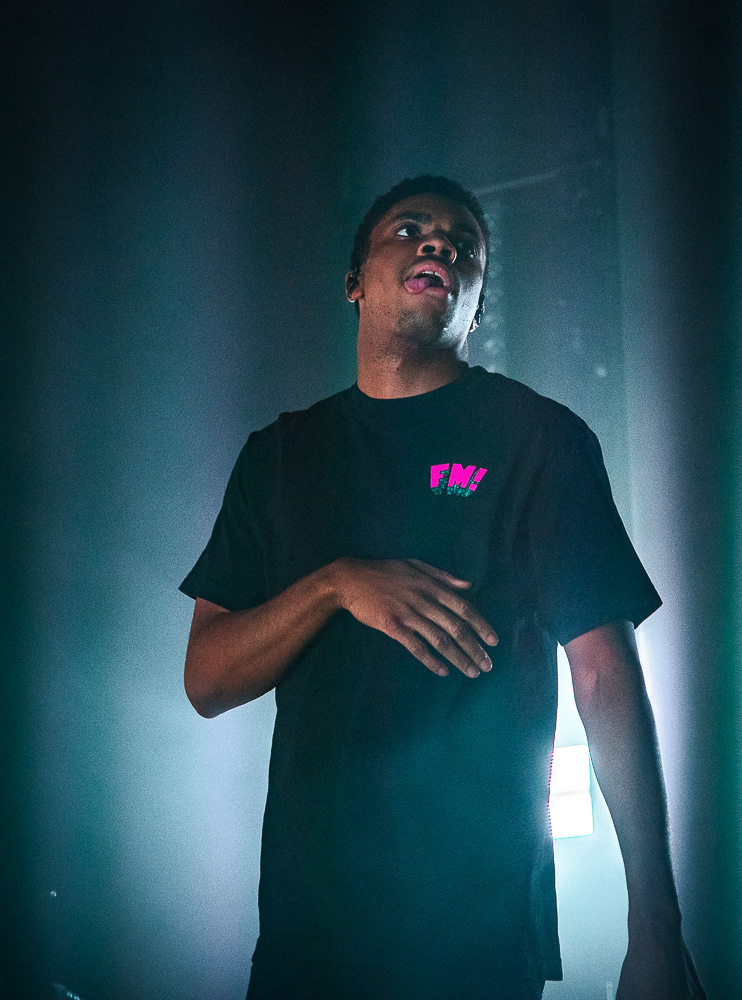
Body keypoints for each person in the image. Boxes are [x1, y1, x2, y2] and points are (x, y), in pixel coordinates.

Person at [180, 176, 706, 1000]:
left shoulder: (539, 438)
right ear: (354, 281)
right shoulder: (279, 456)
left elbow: (605, 675)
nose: (439, 245)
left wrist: (656, 930)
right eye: (410, 229)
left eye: (463, 243)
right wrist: (335, 585)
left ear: (475, 302)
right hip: (306, 930)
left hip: (475, 932)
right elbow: (207, 680)